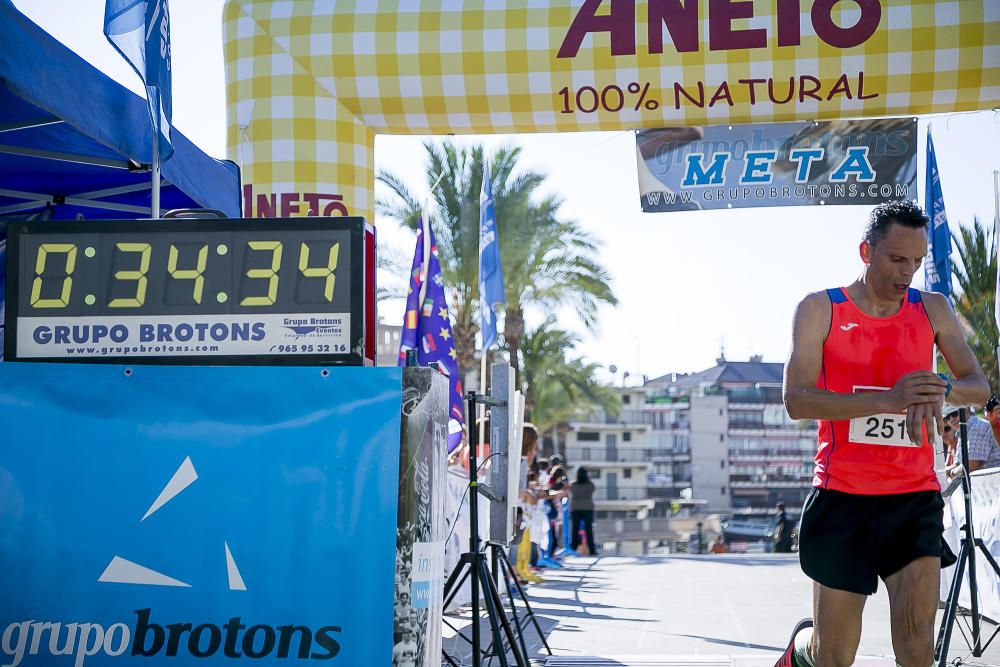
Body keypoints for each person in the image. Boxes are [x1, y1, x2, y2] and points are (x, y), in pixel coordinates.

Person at [777, 200, 991, 667]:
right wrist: (888, 399)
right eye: (897, 260)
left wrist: (942, 388)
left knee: (917, 650)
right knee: (834, 655)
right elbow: (797, 399)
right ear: (865, 251)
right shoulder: (819, 309)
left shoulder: (932, 309)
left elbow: (979, 388)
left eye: (916, 262)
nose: (907, 273)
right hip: (843, 497)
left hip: (913, 498)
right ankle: (801, 650)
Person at [569, 466, 597, 555]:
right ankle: (592, 550)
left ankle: (573, 548)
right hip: (588, 508)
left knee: (575, 530)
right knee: (589, 530)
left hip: (575, 508)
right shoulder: (590, 485)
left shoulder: (573, 485)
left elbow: (570, 490)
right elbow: (593, 489)